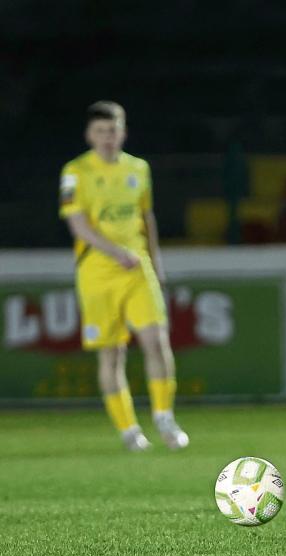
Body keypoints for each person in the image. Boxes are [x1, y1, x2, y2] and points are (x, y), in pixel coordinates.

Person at [59, 101, 189, 451]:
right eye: (100, 131)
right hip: (98, 272)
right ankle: (129, 429)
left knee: (156, 341)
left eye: (113, 130)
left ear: (123, 132)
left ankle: (164, 416)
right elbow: (78, 225)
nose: (107, 138)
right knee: (111, 354)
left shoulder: (139, 169)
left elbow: (147, 218)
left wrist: (156, 264)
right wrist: (117, 253)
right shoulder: (75, 172)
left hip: (138, 268)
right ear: (89, 135)